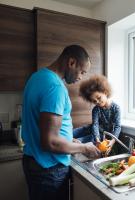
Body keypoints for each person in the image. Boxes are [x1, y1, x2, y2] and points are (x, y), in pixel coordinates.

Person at [21, 45, 101, 200]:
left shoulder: (37, 77)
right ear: (71, 62)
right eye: (82, 72)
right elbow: (50, 143)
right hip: (49, 168)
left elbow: (43, 128)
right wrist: (84, 147)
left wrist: (68, 139)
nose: (81, 78)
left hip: (33, 161)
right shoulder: (55, 87)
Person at [73, 75, 121, 156]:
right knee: (69, 133)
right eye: (94, 101)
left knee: (77, 142)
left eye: (99, 98)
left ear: (105, 92)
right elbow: (95, 125)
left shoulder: (116, 108)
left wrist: (113, 140)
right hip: (93, 131)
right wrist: (97, 138)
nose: (97, 102)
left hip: (101, 135)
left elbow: (117, 126)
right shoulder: (96, 109)